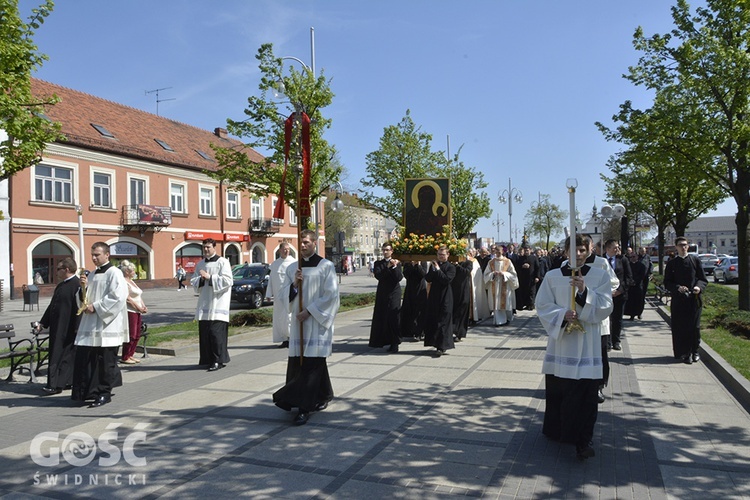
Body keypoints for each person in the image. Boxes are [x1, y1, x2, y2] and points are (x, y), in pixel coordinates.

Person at [536, 234, 613, 460]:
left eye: (582, 250)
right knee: (563, 390)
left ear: (589, 250)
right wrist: (561, 315)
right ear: (565, 251)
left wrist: (584, 293)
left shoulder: (599, 276)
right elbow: (542, 305)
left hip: (588, 342)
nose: (577, 254)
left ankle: (584, 440)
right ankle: (558, 430)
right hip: (562, 345)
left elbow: (606, 306)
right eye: (573, 250)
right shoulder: (552, 276)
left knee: (587, 393)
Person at [273, 229, 339, 425]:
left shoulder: (326, 266)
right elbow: (283, 294)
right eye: (300, 242)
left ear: (315, 243)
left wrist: (309, 311)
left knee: (312, 363)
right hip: (299, 324)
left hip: (316, 323)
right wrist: (294, 285)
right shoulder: (293, 267)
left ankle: (304, 407)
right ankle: (324, 394)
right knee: (306, 362)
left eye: (307, 242)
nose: (303, 246)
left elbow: (331, 296)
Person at [72, 242, 129, 408]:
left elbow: (118, 297)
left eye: (97, 254)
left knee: (106, 362)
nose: (94, 258)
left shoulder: (114, 273)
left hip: (107, 325)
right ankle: (91, 391)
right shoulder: (92, 275)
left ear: (107, 255)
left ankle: (104, 393)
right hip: (92, 325)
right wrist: (83, 288)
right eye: (92, 255)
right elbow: (84, 297)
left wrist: (95, 307)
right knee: (93, 360)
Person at [35, 257, 81, 395]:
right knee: (58, 355)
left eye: (58, 269)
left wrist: (77, 327)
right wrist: (43, 323)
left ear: (66, 269)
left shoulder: (77, 285)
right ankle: (63, 382)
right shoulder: (61, 285)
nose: (56, 272)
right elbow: (52, 306)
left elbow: (80, 308)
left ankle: (56, 385)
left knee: (63, 357)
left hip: (69, 327)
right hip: (58, 326)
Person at [663, 237, 707, 364]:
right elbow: (667, 282)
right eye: (681, 245)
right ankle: (683, 352)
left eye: (685, 245)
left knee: (695, 327)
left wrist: (699, 287)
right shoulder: (672, 263)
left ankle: (695, 351)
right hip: (679, 301)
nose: (683, 247)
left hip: (694, 300)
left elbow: (702, 279)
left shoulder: (695, 260)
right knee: (680, 327)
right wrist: (678, 288)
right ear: (676, 247)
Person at [192, 238, 233, 371]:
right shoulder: (200, 264)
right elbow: (194, 281)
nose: (206, 250)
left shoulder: (223, 262)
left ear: (215, 247)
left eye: (208, 247)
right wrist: (200, 279)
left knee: (216, 334)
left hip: (218, 304)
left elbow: (228, 281)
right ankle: (207, 359)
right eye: (204, 247)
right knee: (206, 333)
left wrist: (210, 278)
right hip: (205, 303)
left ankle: (218, 360)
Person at [368, 242, 403, 352]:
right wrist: (388, 267)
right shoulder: (379, 263)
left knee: (393, 316)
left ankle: (395, 342)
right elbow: (379, 276)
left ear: (392, 251)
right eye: (384, 250)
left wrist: (395, 267)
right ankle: (381, 340)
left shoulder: (397, 263)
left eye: (387, 250)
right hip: (383, 292)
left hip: (394, 292)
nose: (385, 252)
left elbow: (398, 277)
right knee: (382, 316)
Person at [423, 245, 456, 356]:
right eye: (439, 255)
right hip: (434, 296)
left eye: (443, 255)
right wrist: (433, 269)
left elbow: (446, 280)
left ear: (448, 255)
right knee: (435, 319)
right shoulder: (433, 266)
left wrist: (437, 270)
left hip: (446, 296)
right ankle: (436, 343)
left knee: (444, 321)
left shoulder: (451, 267)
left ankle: (442, 346)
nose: (440, 256)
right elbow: (428, 278)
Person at [603, 239, 633, 351]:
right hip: (605, 295)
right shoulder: (601, 260)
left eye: (618, 247)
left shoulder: (623, 259)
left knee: (617, 319)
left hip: (620, 295)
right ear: (607, 249)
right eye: (615, 247)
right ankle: (607, 342)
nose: (617, 249)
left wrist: (620, 290)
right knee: (606, 319)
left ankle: (616, 341)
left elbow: (629, 277)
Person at [266, 242, 296, 348]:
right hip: (278, 298)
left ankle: (292, 338)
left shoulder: (293, 263)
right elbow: (271, 280)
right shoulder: (275, 264)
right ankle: (284, 339)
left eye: (288, 249)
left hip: (289, 296)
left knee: (289, 317)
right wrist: (269, 293)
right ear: (280, 250)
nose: (286, 251)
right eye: (284, 249)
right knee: (280, 318)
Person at [119, 260, 148, 365]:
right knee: (131, 334)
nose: (135, 272)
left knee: (137, 334)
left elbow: (138, 295)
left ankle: (131, 354)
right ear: (127, 271)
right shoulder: (123, 282)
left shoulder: (132, 281)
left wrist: (143, 306)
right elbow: (128, 298)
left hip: (137, 311)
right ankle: (125, 356)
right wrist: (138, 308)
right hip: (130, 311)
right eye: (133, 270)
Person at [484, 244, 518, 326]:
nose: (497, 253)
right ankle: (498, 321)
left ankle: (508, 318)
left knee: (506, 303)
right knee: (496, 304)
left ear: (503, 251)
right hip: (495, 285)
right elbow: (485, 274)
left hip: (505, 285)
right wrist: (492, 274)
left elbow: (513, 274)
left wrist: (504, 274)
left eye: (499, 251)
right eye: (496, 251)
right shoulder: (491, 262)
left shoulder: (508, 262)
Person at [400, 261, 427, 340]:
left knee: (420, 311)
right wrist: (411, 265)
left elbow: (423, 274)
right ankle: (410, 331)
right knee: (409, 309)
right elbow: (406, 275)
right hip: (410, 289)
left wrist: (418, 265)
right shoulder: (407, 263)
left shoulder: (422, 262)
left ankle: (419, 332)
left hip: (420, 288)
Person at [451, 254, 473, 341]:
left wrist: (457, 265)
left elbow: (466, 272)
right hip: (453, 289)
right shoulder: (451, 264)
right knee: (454, 311)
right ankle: (453, 330)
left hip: (464, 290)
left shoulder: (468, 263)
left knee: (462, 311)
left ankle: (460, 333)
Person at [467, 248, 491, 325]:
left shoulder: (474, 261)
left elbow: (476, 273)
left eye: (472, 252)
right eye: (470, 252)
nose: (471, 254)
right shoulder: (472, 260)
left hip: (472, 284)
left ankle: (473, 316)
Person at [625, 250, 648, 321]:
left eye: (634, 256)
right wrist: (630, 281)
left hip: (638, 286)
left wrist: (636, 281)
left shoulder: (641, 266)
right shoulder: (628, 265)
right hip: (630, 286)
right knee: (631, 301)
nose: (632, 258)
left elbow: (642, 275)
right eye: (631, 257)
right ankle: (632, 315)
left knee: (639, 301)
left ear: (637, 257)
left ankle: (639, 313)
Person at [515, 246, 540, 310]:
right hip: (523, 278)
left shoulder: (534, 258)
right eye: (525, 250)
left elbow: (537, 268)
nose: (526, 252)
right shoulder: (520, 258)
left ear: (530, 250)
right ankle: (523, 304)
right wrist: (522, 266)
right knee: (523, 291)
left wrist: (537, 277)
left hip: (531, 278)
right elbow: (517, 267)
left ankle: (530, 305)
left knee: (531, 291)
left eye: (527, 250)